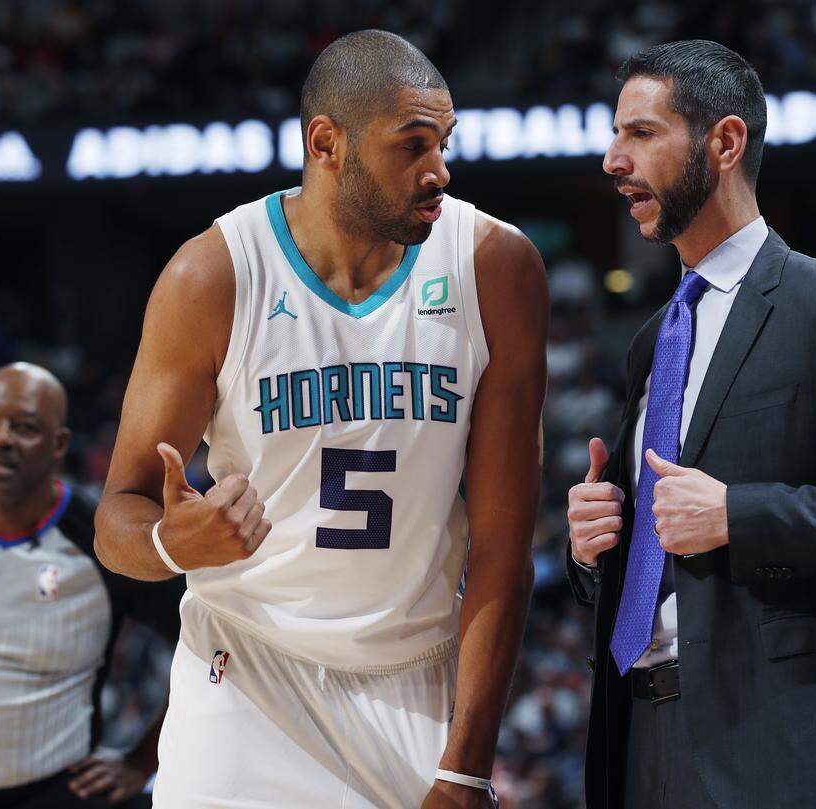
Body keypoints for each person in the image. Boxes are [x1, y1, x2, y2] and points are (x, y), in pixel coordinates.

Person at [92, 30, 547, 809]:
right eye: (412, 144)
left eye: (444, 142)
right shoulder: (212, 275)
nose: (439, 168)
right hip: (245, 674)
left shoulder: (494, 266)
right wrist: (173, 540)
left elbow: (504, 544)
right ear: (326, 142)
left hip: (414, 679)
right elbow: (117, 517)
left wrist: (467, 763)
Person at [565, 40, 816, 808]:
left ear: (724, 142)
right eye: (616, 134)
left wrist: (736, 514)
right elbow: (658, 546)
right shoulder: (653, 337)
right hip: (637, 733)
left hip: (773, 741)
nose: (613, 160)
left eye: (641, 133)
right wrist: (595, 544)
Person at [0, 363, 182, 809]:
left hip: (57, 791)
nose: (1, 438)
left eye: (25, 427)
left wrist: (142, 760)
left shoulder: (104, 536)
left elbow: (204, 638)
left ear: (59, 445)